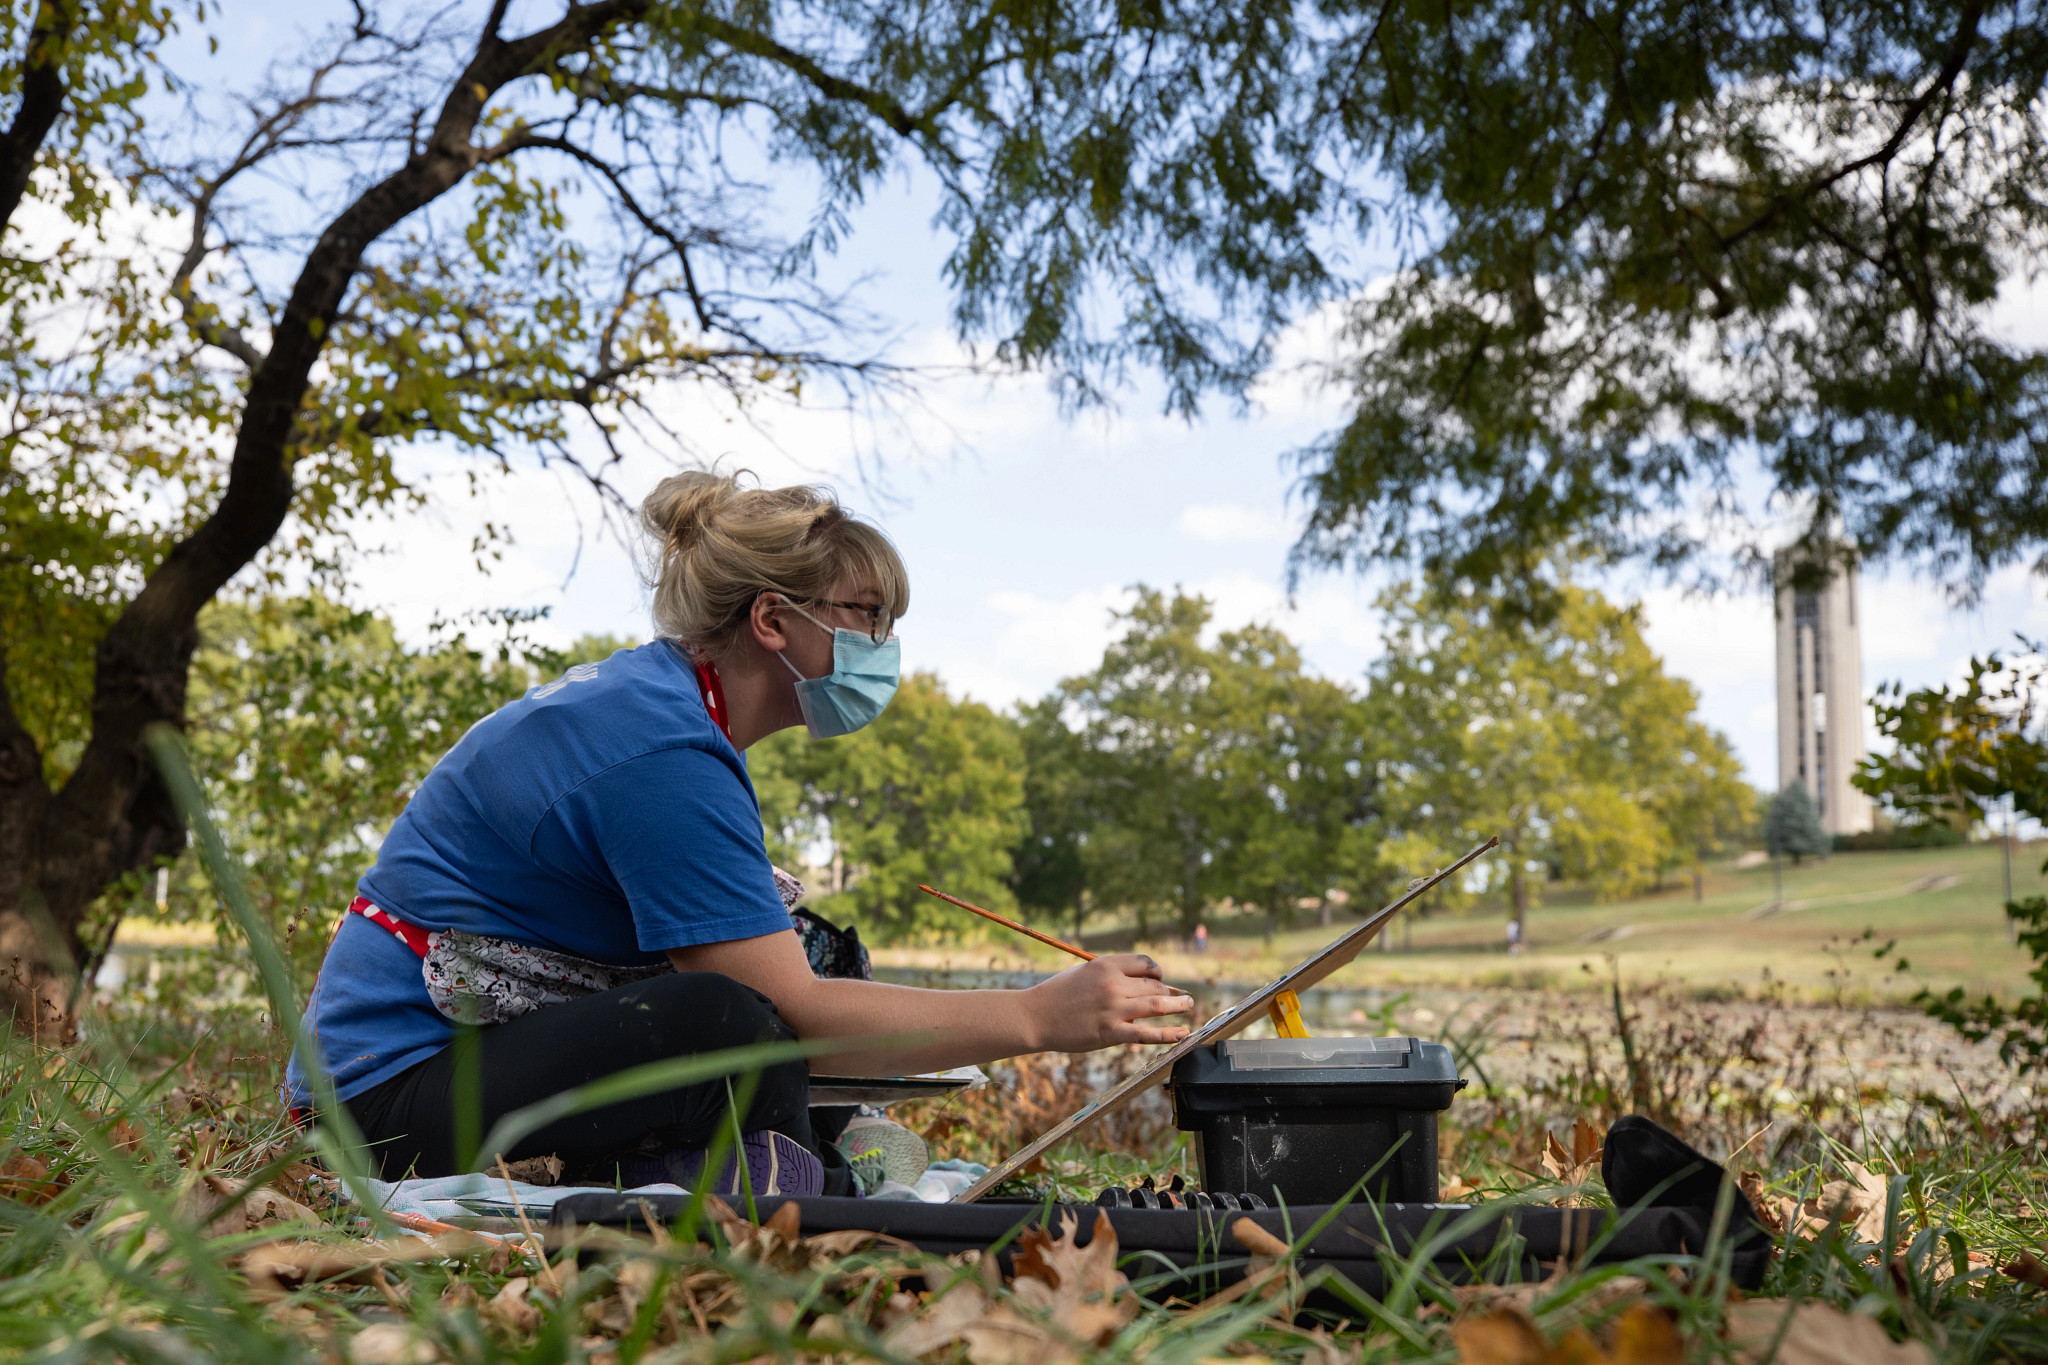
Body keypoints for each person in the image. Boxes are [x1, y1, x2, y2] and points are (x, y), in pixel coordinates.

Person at [286, 472, 1193, 1193]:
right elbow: (791, 1017)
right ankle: (790, 1182)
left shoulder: (665, 712)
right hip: (378, 1104)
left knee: (805, 960)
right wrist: (1038, 1015)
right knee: (724, 1018)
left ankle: (783, 1169)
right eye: (867, 614)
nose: (885, 642)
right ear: (772, 620)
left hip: (450, 1066)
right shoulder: (660, 751)